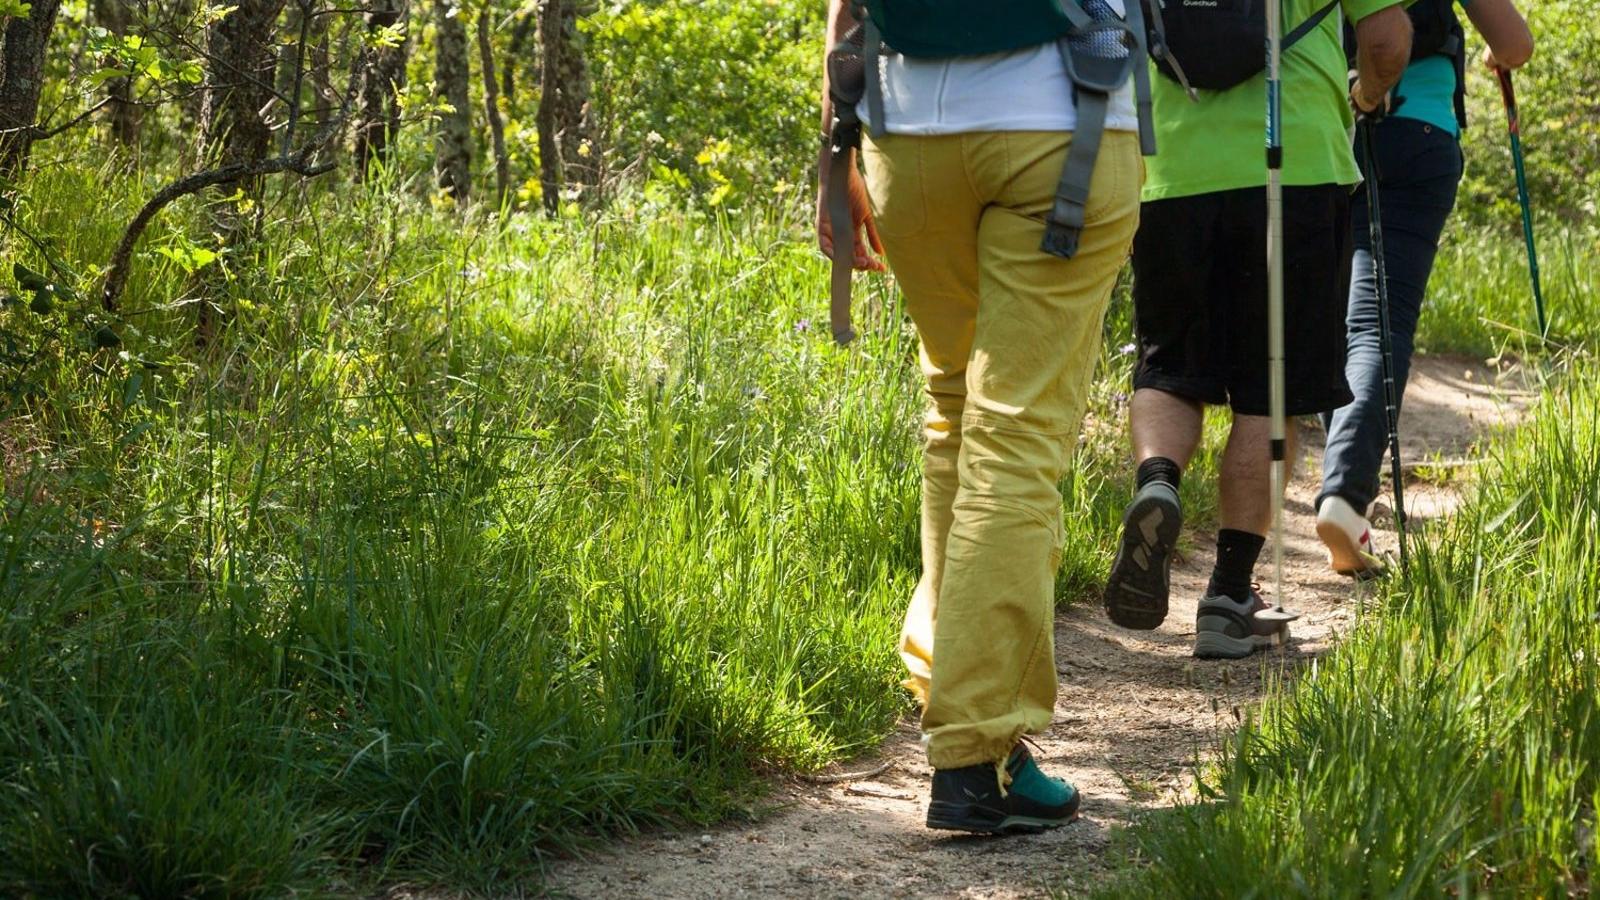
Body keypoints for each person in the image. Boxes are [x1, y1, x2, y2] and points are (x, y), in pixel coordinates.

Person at [817, 0, 1145, 833]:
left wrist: (831, 160)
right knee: (1016, 439)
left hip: (905, 134)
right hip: (1064, 116)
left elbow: (848, 10)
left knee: (957, 417)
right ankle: (973, 751)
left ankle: (958, 690)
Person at [1102, 0, 1414, 659]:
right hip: (1297, 165)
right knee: (1273, 388)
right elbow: (1386, 40)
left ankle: (1158, 480)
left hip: (1172, 169)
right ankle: (1229, 593)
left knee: (1170, 368)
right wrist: (1363, 94)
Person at [1316, 0, 1533, 576]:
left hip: (1323, 131)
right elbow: (1514, 44)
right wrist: (1492, 54)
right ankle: (1344, 493)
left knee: (1331, 318)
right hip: (1420, 133)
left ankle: (1342, 484)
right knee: (1375, 324)